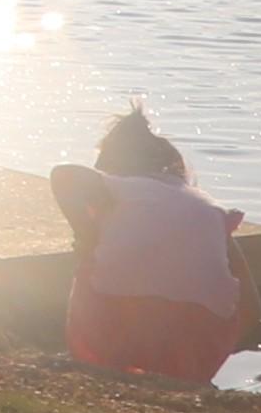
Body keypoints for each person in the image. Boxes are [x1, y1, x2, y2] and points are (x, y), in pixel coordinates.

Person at [47, 109, 244, 382]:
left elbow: (62, 174)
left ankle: (97, 364)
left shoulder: (119, 186)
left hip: (117, 327)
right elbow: (253, 306)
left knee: (91, 263)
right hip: (199, 344)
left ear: (111, 163)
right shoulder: (209, 208)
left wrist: (87, 238)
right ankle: (186, 377)